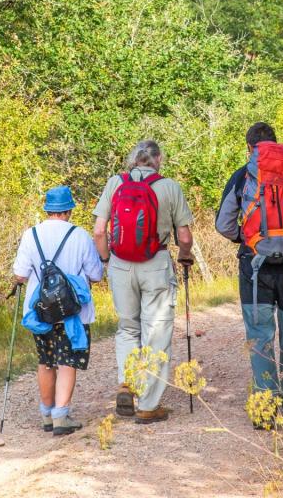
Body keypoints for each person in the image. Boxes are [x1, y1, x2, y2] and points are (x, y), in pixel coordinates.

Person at [215, 122, 283, 426]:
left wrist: (247, 238)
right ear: (276, 143)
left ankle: (265, 409)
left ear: (250, 148)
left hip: (254, 266)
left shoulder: (243, 176)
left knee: (260, 336)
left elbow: (223, 224)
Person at [93, 140, 194, 424]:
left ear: (133, 159)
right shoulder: (169, 187)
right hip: (156, 263)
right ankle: (148, 405)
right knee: (156, 331)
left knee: (127, 327)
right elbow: (184, 237)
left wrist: (105, 260)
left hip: (121, 264)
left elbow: (99, 231)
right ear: (158, 159)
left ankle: (127, 383)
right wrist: (185, 256)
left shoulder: (116, 182)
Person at [13, 186, 103, 436]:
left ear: (47, 209)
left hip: (41, 311)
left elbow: (20, 274)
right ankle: (61, 416)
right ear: (69, 210)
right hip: (73, 311)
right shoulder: (80, 235)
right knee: (67, 361)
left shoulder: (30, 235)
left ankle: (46, 414)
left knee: (46, 361)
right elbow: (95, 274)